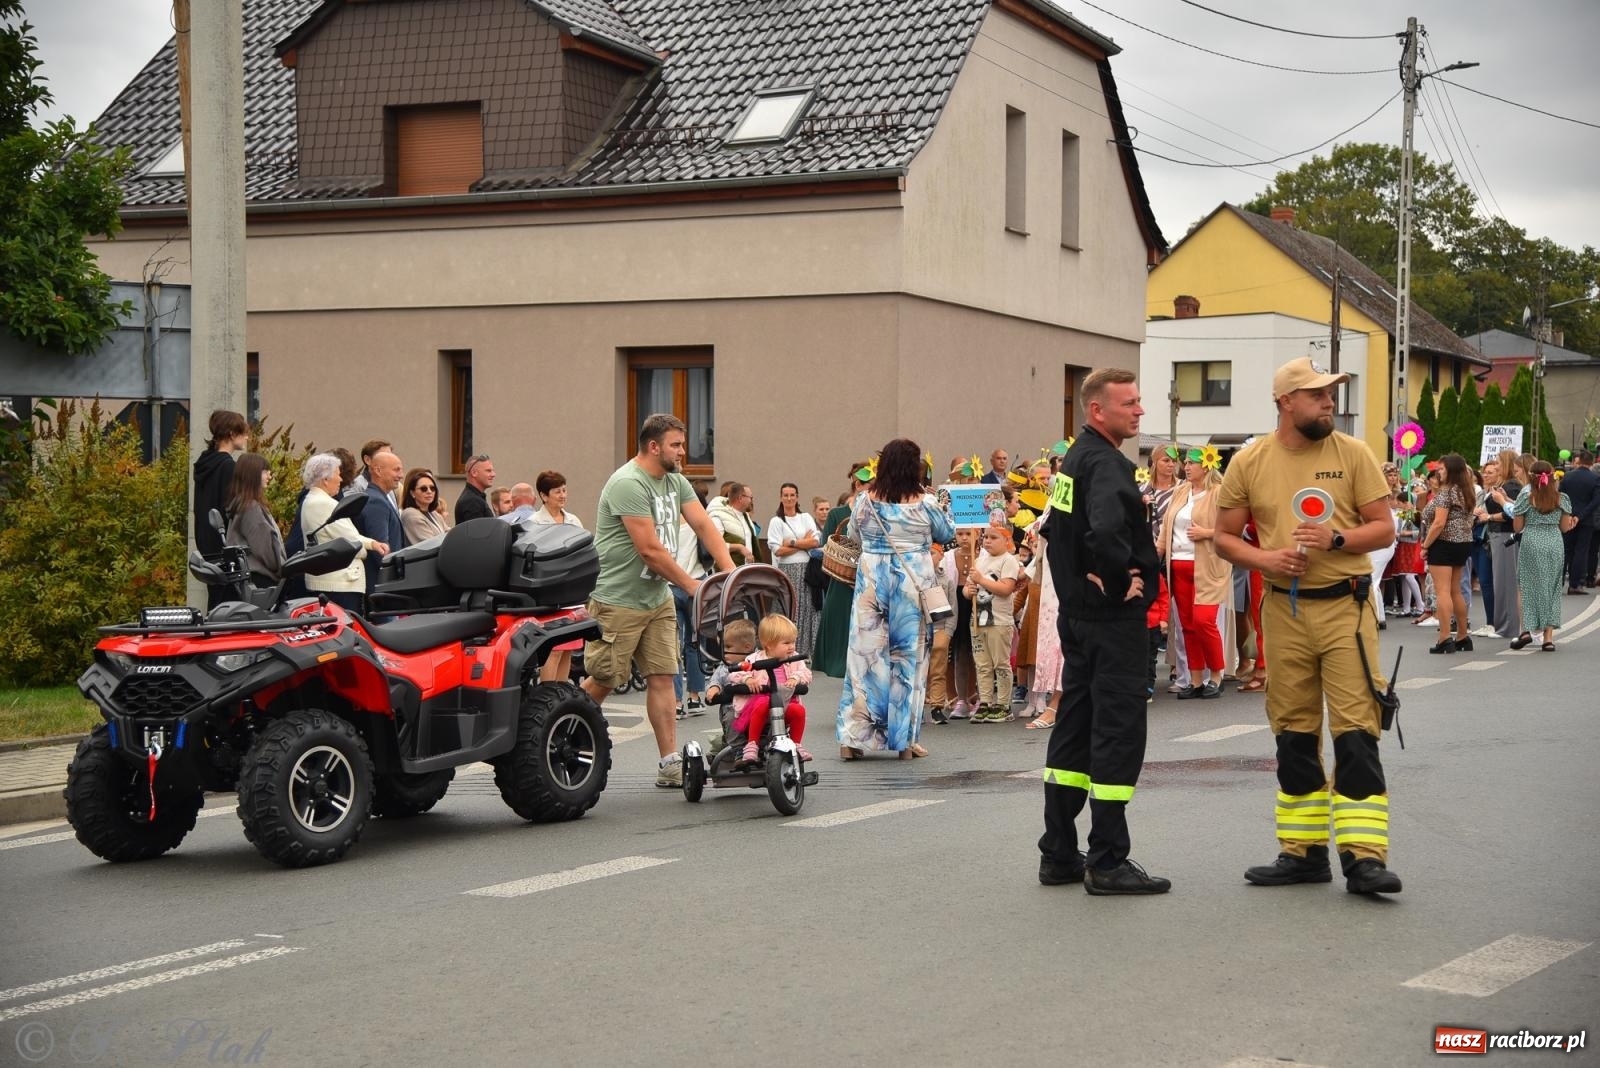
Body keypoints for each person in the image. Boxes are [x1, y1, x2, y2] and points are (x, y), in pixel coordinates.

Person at [1213, 357, 1401, 895]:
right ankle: (1302, 855)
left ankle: (1364, 859)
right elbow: (1224, 537)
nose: (1328, 403)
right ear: (1285, 402)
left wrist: (1337, 540)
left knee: (1357, 733)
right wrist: (1265, 559)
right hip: (1284, 609)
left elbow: (1384, 527)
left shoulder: (1353, 453)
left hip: (1346, 605)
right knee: (1293, 735)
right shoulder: (1250, 461)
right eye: (1317, 394)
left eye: (1331, 394)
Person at [1037, 367, 1168, 896]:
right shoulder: (1109, 464)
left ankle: (1060, 853)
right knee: (1117, 731)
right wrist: (1121, 582)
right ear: (1098, 411)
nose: (1139, 411)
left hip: (1078, 617)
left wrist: (1086, 582)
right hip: (1111, 623)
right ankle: (1109, 859)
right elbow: (1107, 530)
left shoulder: (1074, 458)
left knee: (1075, 727)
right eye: (1129, 404)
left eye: (1139, 402)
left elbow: (1058, 529)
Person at [580, 414, 735, 788]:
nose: (683, 452)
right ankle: (559, 733)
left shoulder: (675, 481)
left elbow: (704, 526)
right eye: (676, 445)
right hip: (618, 599)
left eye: (682, 445)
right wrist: (693, 585)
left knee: (664, 676)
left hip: (656, 597)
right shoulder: (627, 483)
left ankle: (669, 762)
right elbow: (649, 549)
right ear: (654, 446)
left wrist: (731, 572)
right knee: (603, 679)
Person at [837, 438, 955, 760]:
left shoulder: (863, 502)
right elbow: (946, 534)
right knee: (907, 661)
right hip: (911, 584)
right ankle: (903, 742)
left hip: (873, 582)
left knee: (864, 659)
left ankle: (852, 740)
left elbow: (853, 538)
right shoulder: (926, 503)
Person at [1157, 449, 1232, 698]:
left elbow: (1232, 528)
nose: (1186, 467)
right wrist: (1156, 552)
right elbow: (1167, 526)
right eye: (1186, 463)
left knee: (1204, 621)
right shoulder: (1181, 491)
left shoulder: (1218, 492)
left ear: (1207, 466)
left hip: (1207, 567)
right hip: (1178, 564)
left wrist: (1208, 533)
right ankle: (1195, 678)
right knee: (1186, 625)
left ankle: (1217, 675)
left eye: (1193, 463)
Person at [723, 614, 813, 765]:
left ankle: (796, 744)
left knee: (799, 711)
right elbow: (736, 673)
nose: (792, 647)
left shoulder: (794, 659)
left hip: (785, 703)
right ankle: (752, 744)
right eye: (786, 643)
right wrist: (748, 679)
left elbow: (806, 673)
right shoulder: (754, 659)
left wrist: (796, 678)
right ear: (769, 645)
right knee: (763, 703)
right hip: (759, 705)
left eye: (793, 642)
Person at [300, 453, 385, 614]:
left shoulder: (313, 500)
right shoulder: (323, 503)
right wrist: (365, 549)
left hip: (335, 581)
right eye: (338, 475)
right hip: (339, 584)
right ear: (325, 479)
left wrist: (372, 543)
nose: (340, 480)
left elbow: (344, 534)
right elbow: (350, 543)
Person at [812, 464, 872, 678]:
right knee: (841, 621)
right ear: (858, 485)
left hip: (868, 577)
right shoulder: (838, 514)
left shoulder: (876, 510)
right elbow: (826, 543)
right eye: (870, 485)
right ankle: (838, 664)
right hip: (842, 577)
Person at [1509, 461, 1577, 651]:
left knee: (1528, 586)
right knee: (1552, 586)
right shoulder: (1562, 498)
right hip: (1554, 542)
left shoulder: (1527, 498)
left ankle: (1528, 630)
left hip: (1532, 540)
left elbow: (1517, 527)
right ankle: (1548, 638)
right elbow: (1564, 527)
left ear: (1531, 477)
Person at [1420, 453, 1476, 654]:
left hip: (1443, 543)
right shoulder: (1466, 491)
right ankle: (1462, 636)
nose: (1438, 472)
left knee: (1442, 591)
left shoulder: (1445, 493)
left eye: (1442, 469)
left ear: (1451, 471)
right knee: (1455, 591)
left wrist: (1426, 545)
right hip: (1463, 542)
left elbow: (1438, 523)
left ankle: (1444, 637)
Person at [193, 409, 248, 609]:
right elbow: (232, 510)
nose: (247, 437)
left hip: (207, 545)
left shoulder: (204, 464)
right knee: (230, 608)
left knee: (216, 604)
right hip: (225, 547)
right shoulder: (228, 467)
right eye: (243, 432)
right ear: (232, 434)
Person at [966, 523, 1021, 722]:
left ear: (1007, 541)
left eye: (993, 537)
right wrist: (968, 591)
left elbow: (1006, 589)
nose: (987, 540)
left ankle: (1004, 704)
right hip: (978, 620)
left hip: (998, 620)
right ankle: (986, 701)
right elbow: (969, 589)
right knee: (982, 664)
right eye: (985, 537)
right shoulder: (979, 560)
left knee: (1000, 663)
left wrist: (981, 580)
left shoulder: (1009, 561)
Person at [767, 483, 822, 656]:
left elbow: (815, 542)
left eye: (792, 495)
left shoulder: (805, 517)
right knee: (788, 609)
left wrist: (791, 542)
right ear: (781, 497)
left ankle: (804, 650)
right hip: (787, 570)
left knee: (807, 609)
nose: (789, 498)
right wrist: (802, 543)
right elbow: (778, 550)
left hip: (806, 570)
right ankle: (784, 650)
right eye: (786, 495)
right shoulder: (776, 521)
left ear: (797, 497)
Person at [223, 452, 285, 585]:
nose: (270, 475)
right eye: (265, 471)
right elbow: (265, 549)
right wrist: (281, 568)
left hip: (250, 579)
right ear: (252, 475)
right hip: (261, 580)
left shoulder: (241, 503)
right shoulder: (251, 508)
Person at [1483, 449, 1524, 639]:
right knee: (1500, 581)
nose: (1496, 465)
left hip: (1506, 535)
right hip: (1497, 535)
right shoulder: (1503, 484)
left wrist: (1488, 516)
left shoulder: (1512, 485)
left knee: (1506, 581)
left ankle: (1508, 627)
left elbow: (1514, 513)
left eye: (1499, 462)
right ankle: (1502, 625)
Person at [354, 450, 406, 599]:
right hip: (382, 587)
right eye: (396, 470)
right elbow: (381, 550)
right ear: (377, 470)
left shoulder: (379, 497)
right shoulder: (376, 501)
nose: (401, 476)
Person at [924, 539, 959, 724]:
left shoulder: (946, 579)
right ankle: (917, 705)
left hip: (940, 627)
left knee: (938, 668)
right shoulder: (915, 576)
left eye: (932, 553)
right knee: (918, 669)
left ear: (941, 555)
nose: (929, 557)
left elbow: (953, 607)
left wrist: (948, 631)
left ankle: (937, 706)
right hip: (920, 628)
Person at [1558, 450, 1597, 594]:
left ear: (1578, 461)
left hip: (1567, 518)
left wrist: (1569, 514)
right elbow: (1595, 501)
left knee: (1565, 551)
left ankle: (1558, 582)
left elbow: (1560, 496)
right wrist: (1580, 516)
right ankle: (1575, 584)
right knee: (1581, 551)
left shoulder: (1567, 477)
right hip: (1586, 520)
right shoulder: (1595, 479)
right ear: (1591, 463)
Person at [707, 483, 762, 565]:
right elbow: (713, 545)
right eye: (750, 497)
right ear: (740, 498)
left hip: (745, 571)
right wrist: (739, 548)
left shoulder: (745, 516)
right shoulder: (718, 516)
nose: (751, 501)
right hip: (727, 572)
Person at [400, 468, 451, 543]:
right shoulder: (410, 514)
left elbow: (449, 534)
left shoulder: (434, 513)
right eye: (423, 489)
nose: (429, 491)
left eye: (432, 488)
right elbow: (431, 544)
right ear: (412, 493)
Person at [454, 453, 496, 524]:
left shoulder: (475, 498)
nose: (493, 474)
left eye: (492, 471)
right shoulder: (471, 501)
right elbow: (478, 533)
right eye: (488, 471)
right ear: (474, 473)